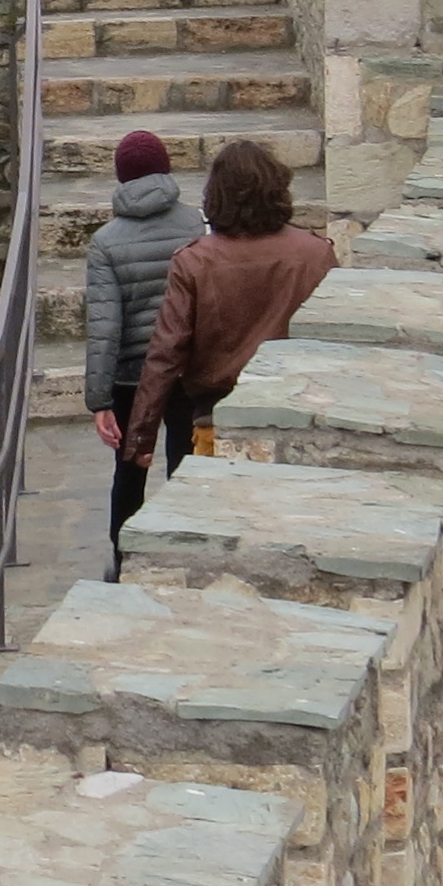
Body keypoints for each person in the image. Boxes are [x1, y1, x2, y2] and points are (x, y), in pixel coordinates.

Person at [118, 138, 333, 564]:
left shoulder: (194, 262)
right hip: (298, 423)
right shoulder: (316, 254)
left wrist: (141, 436)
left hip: (217, 422)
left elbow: (166, 353)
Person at [85, 130, 204, 540]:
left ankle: (121, 563)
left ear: (121, 177)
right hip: (187, 366)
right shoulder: (197, 223)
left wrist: (99, 401)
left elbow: (104, 327)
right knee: (186, 466)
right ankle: (185, 552)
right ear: (165, 169)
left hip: (131, 375)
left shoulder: (105, 242)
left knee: (130, 471)